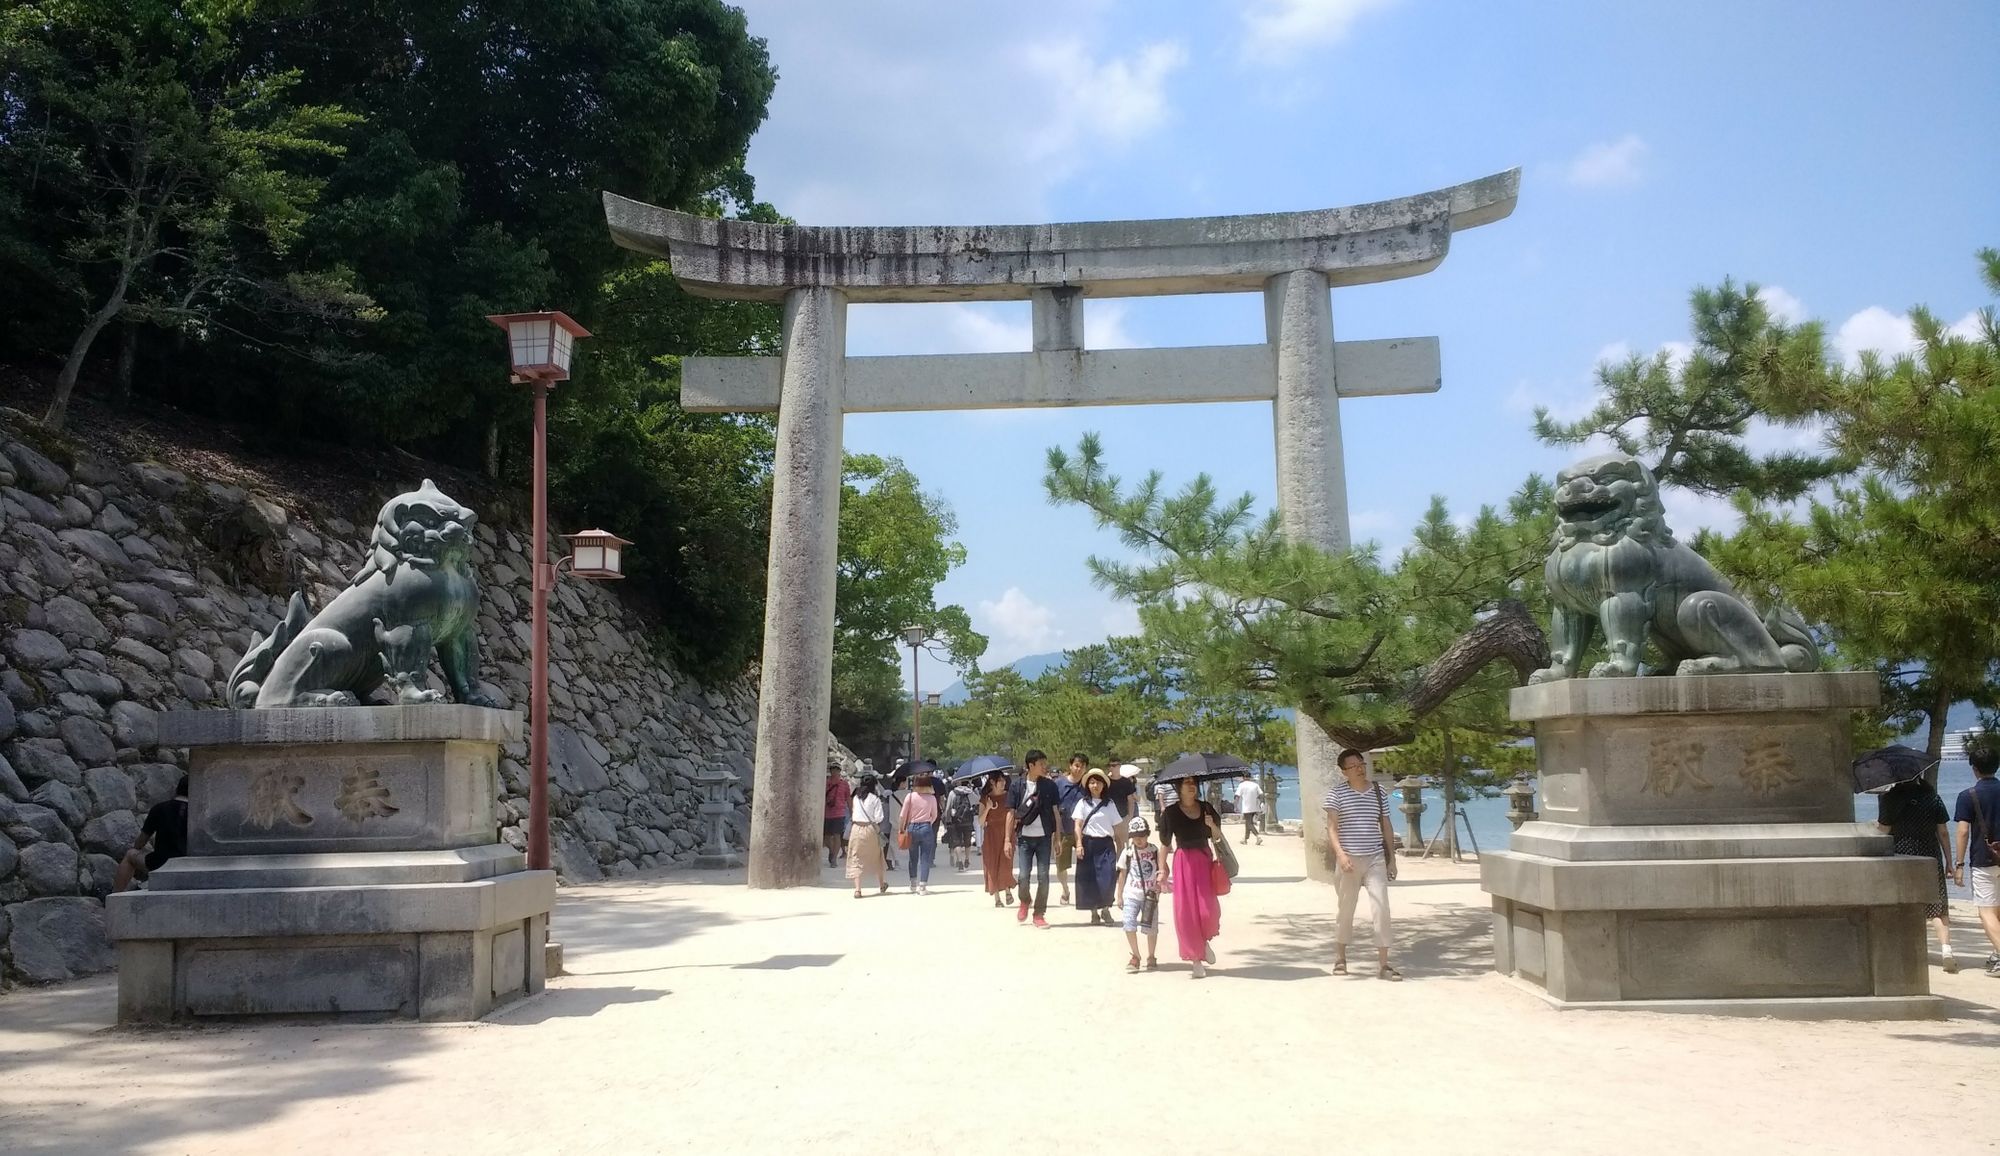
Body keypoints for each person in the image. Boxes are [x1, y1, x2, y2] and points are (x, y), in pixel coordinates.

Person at [1325, 748, 1400, 981]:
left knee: (1382, 909)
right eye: (1354, 765)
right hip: (1349, 859)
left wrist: (1392, 859)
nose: (1360, 768)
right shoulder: (1336, 794)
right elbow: (1332, 828)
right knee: (1346, 910)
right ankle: (1340, 957)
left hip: (1375, 857)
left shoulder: (1378, 792)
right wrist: (1340, 855)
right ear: (1344, 771)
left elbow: (1386, 825)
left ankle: (1384, 965)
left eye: (1362, 763)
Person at [1878, 775, 1956, 972]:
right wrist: (1949, 861)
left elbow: (1884, 830)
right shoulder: (1932, 798)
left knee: (1905, 904)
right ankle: (1946, 949)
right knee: (1937, 906)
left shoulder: (1890, 798)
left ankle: (1908, 951)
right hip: (1930, 854)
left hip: (1901, 854)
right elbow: (1943, 832)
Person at [1159, 776, 1224, 978]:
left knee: (1208, 911)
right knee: (1187, 913)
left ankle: (1203, 942)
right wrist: (1162, 869)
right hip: (1183, 861)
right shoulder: (1170, 812)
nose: (1192, 786)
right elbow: (1165, 843)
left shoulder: (1206, 808)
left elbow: (1218, 837)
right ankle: (1196, 960)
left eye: (1194, 783)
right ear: (1179, 787)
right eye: (1187, 783)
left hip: (1204, 860)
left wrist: (1211, 825)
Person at [1951, 737, 2000, 976]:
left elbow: (1962, 831)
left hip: (1984, 858)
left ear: (1974, 769)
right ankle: (1996, 953)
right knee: (1997, 909)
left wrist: (1959, 864)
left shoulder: (1967, 795)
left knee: (1986, 911)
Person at [1008, 750, 1064, 928]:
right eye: (1041, 764)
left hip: (1044, 838)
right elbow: (1010, 814)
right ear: (1031, 765)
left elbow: (1056, 813)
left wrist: (1057, 838)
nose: (1044, 767)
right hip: (1024, 838)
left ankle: (1039, 913)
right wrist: (1007, 840)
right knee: (1023, 876)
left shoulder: (1050, 786)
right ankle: (1025, 900)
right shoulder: (1017, 786)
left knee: (1043, 877)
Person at [115, 775, 189, 891]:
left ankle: (115, 897)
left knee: (130, 854)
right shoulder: (199, 813)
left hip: (161, 863)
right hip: (188, 865)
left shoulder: (159, 808)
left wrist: (137, 848)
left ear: (177, 789)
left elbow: (141, 842)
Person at [1071, 768, 1121, 924]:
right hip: (1088, 844)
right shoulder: (1083, 803)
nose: (1095, 785)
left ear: (1103, 785)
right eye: (1092, 782)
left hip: (1106, 844)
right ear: (1088, 786)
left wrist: (1122, 848)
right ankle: (1093, 911)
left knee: (1108, 877)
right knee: (1089, 879)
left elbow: (1117, 828)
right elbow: (1078, 825)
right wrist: (1079, 844)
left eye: (1098, 782)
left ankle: (1105, 908)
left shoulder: (1110, 804)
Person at [1114, 816, 1163, 971]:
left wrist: (1160, 884)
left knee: (1151, 928)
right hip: (1131, 894)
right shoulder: (1127, 853)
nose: (1139, 840)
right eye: (1135, 838)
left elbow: (1163, 869)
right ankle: (1135, 955)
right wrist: (1119, 895)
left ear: (1147, 835)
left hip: (1150, 896)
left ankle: (1151, 955)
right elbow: (1122, 874)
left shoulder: (1155, 851)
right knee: (1128, 924)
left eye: (1141, 836)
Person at [846, 774, 891, 898]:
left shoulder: (856, 798)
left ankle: (858, 889)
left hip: (856, 829)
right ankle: (882, 884)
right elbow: (879, 817)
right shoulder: (875, 799)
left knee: (856, 857)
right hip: (870, 829)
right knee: (877, 856)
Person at [1053, 755, 1088, 906]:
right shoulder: (1059, 783)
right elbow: (1053, 807)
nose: (1079, 769)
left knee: (1087, 864)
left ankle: (1086, 893)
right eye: (1077, 765)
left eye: (1082, 766)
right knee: (1061, 865)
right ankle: (1065, 890)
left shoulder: (1088, 784)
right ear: (1070, 765)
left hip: (1084, 832)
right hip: (1064, 830)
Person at [901, 771, 941, 894]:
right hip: (926, 827)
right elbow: (934, 815)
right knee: (925, 858)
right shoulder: (932, 798)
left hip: (912, 827)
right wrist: (927, 822)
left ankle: (913, 883)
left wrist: (902, 828)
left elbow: (903, 815)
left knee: (913, 857)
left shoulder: (910, 796)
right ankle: (923, 886)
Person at [979, 772, 1016, 908]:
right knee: (992, 864)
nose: (1003, 783)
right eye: (1000, 781)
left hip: (1007, 833)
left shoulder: (1009, 796)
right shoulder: (985, 798)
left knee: (1006, 863)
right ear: (992, 782)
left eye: (1004, 780)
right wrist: (988, 808)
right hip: (991, 835)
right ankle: (997, 898)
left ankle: (1007, 890)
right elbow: (980, 821)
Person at [942, 775, 979, 871]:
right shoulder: (969, 792)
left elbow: (948, 808)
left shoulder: (952, 793)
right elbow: (978, 801)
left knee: (957, 842)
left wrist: (946, 820)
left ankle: (960, 861)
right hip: (968, 820)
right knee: (967, 841)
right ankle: (967, 858)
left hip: (955, 820)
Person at [824, 763, 852, 868]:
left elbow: (848, 798)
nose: (834, 772)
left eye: (836, 769)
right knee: (826, 838)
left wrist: (851, 811)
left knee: (837, 835)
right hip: (827, 813)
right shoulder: (826, 783)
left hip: (839, 813)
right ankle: (832, 851)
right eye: (833, 769)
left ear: (839, 771)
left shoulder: (844, 784)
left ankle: (834, 858)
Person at [1233, 772, 1265, 845]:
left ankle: (1258, 836)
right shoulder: (1255, 785)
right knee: (1248, 823)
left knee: (1249, 823)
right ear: (1250, 777)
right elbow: (1261, 794)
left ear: (1243, 777)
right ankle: (1245, 839)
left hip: (1247, 807)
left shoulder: (1241, 785)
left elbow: (1237, 796)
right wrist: (1261, 803)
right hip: (1255, 807)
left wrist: (1235, 806)